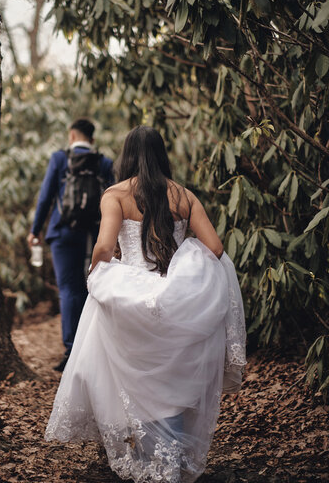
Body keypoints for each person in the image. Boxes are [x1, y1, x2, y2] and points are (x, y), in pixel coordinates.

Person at [45, 125, 246, 482]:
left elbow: (105, 247)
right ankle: (171, 456)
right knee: (170, 374)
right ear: (161, 153)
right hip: (176, 296)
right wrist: (187, 269)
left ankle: (148, 453)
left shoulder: (116, 194)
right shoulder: (184, 196)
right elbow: (215, 248)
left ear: (127, 155)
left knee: (131, 370)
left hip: (132, 296)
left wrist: (96, 275)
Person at [27, 118, 114, 372]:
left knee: (68, 289)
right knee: (93, 287)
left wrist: (35, 231)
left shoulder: (59, 159)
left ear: (72, 136)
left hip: (62, 232)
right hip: (94, 235)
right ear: (92, 139)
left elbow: (45, 198)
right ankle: (93, 348)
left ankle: (70, 350)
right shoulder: (104, 162)